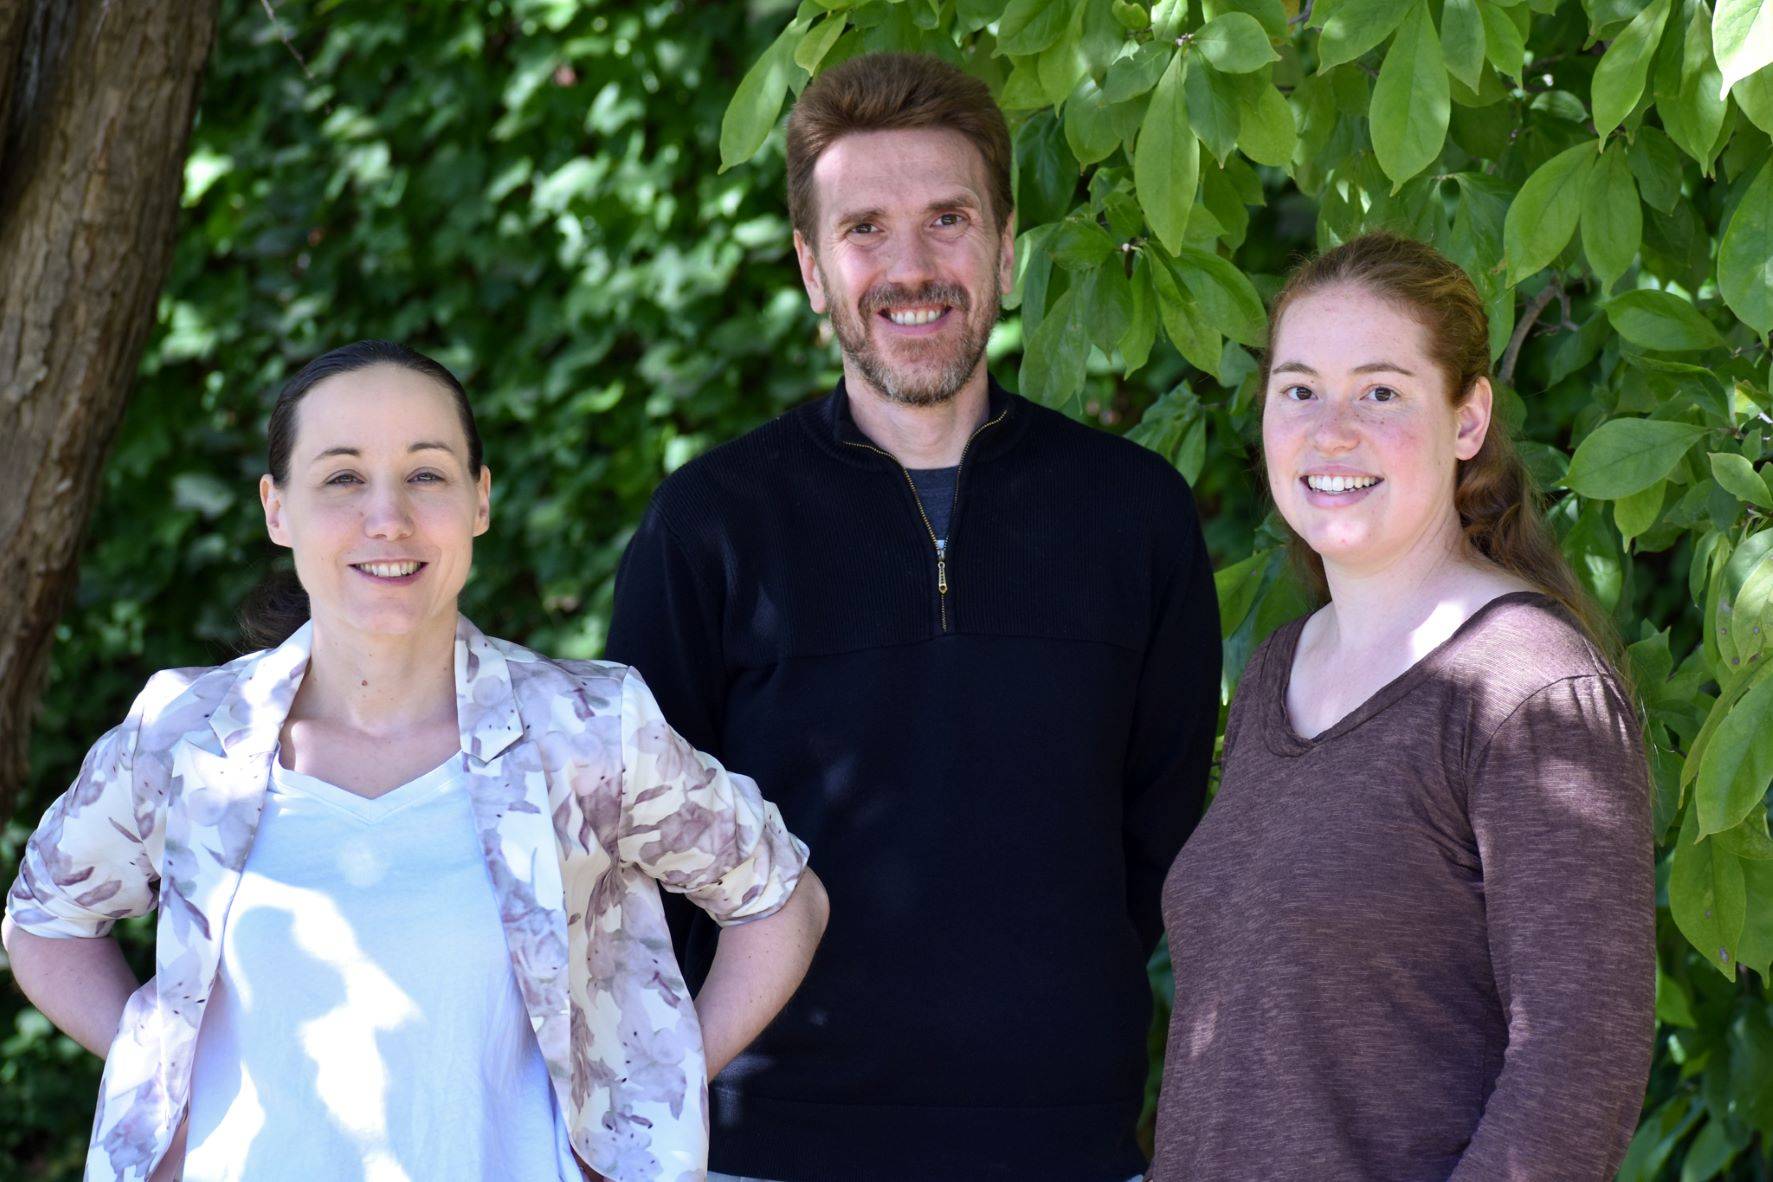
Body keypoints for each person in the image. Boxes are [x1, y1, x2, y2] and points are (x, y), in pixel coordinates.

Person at [3, 340, 829, 1182]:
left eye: (427, 474)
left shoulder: (584, 731)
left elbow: (780, 902)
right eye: (342, 478)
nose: (387, 516)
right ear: (276, 508)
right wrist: (165, 1068)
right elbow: (43, 923)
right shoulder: (184, 735)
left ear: (480, 499)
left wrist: (645, 1107)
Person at [605, 53, 1219, 1182]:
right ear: (809, 266)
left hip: (1064, 1148)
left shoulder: (1132, 515)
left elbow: (1159, 840)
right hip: (768, 1150)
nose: (911, 267)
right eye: (865, 230)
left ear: (1003, 244)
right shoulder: (711, 527)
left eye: (948, 220)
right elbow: (636, 855)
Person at [1149, 233, 1655, 1180]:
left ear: (1467, 420)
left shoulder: (1529, 688)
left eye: (1380, 392)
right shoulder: (1276, 671)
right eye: (1298, 389)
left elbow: (1579, 1059)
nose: (1328, 430)